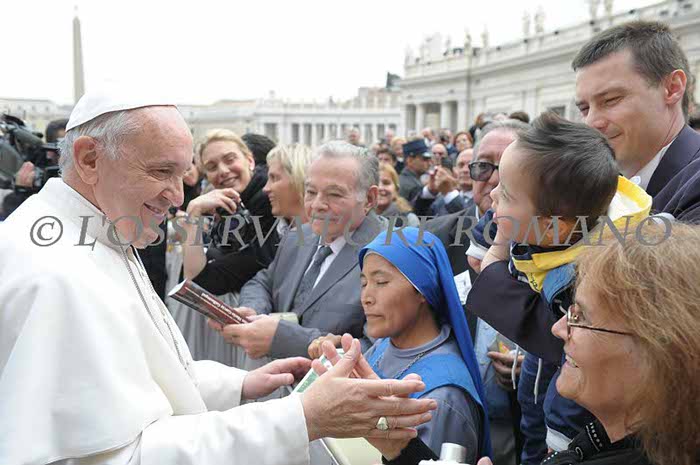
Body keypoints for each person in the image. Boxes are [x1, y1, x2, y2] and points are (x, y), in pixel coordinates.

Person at [0, 92, 437, 465]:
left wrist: (238, 384)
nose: (178, 195)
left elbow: (143, 377)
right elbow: (120, 455)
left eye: (182, 173)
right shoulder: (54, 276)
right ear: (90, 159)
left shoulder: (101, 228)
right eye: (162, 172)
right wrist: (300, 418)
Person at [468, 19, 700, 367]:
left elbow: (628, 338)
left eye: (611, 100)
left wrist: (493, 274)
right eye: (584, 108)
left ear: (672, 88)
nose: (593, 122)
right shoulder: (585, 175)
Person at [474, 112, 652, 462]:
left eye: (506, 193)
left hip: (566, 427)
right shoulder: (572, 223)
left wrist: (561, 441)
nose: (492, 193)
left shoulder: (589, 282)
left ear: (553, 227)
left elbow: (575, 360)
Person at [477, 223, 700, 465]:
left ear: (659, 353)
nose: (558, 329)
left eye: (580, 317)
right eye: (569, 310)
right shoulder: (609, 442)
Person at [311, 227, 492, 464]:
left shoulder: (442, 398)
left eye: (381, 282)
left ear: (422, 289)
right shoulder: (385, 346)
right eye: (364, 283)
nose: (366, 297)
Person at [212, 141, 383, 359]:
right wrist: (253, 310)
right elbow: (262, 282)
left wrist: (282, 340)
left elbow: (381, 350)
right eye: (311, 192)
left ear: (369, 199)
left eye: (334, 194)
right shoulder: (297, 236)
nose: (317, 204)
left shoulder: (390, 256)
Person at [180, 129, 276, 295]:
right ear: (207, 177)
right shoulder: (232, 207)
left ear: (250, 161)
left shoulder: (270, 202)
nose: (223, 171)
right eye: (212, 167)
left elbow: (202, 281)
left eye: (230, 159)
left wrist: (193, 214)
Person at [376, 163, 419, 227]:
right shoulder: (361, 220)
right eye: (375, 184)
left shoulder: (409, 220)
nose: (380, 188)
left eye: (386, 183)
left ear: (396, 189)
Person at [399, 139, 432, 205]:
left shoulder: (407, 179)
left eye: (429, 159)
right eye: (425, 159)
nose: (429, 163)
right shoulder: (412, 186)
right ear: (410, 160)